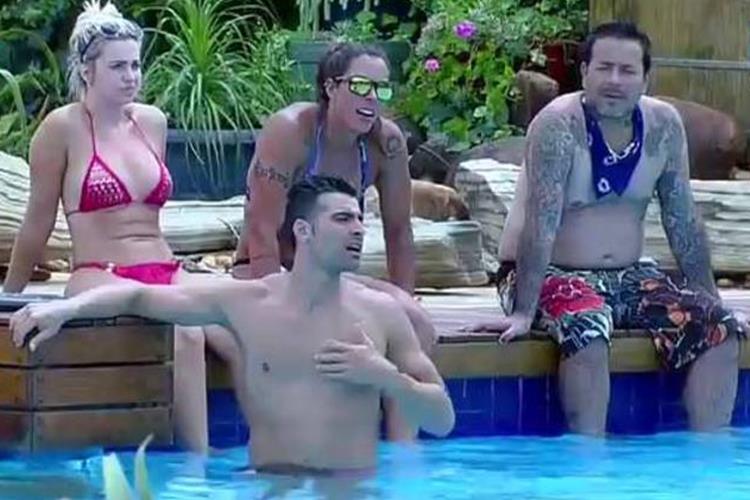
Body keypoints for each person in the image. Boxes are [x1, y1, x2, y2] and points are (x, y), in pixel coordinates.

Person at [10, 176, 455, 474]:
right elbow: (137, 296)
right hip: (268, 487)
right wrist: (64, 310)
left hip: (350, 491)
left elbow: (443, 420)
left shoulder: (380, 313)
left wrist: (386, 377)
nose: (358, 229)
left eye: (359, 219)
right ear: (303, 231)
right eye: (343, 219)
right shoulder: (249, 303)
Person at [470, 21, 747, 435]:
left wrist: (711, 299)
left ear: (645, 79)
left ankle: (707, 459)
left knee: (720, 330)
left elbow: (683, 222)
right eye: (604, 68)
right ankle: (590, 461)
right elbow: (541, 222)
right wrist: (524, 312)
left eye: (627, 70)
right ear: (584, 73)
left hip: (629, 274)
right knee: (588, 330)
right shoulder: (558, 125)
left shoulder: (663, 127)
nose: (614, 80)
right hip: (544, 272)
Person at [2, 0, 214, 452]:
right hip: (101, 272)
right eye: (118, 67)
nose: (131, 76)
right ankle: (197, 470)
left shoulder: (152, 122)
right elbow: (37, 221)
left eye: (135, 65)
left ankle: (270, 455)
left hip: (165, 268)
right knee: (186, 333)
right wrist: (9, 295)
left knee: (247, 325)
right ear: (87, 70)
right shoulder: (62, 129)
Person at [227, 42, 437, 440]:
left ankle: (401, 452)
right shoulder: (291, 131)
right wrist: (278, 308)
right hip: (267, 270)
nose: (372, 98)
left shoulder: (385, 144)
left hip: (331, 277)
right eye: (360, 86)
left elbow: (399, 230)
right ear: (330, 87)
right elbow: (260, 229)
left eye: (381, 88)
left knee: (417, 326)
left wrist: (402, 300)